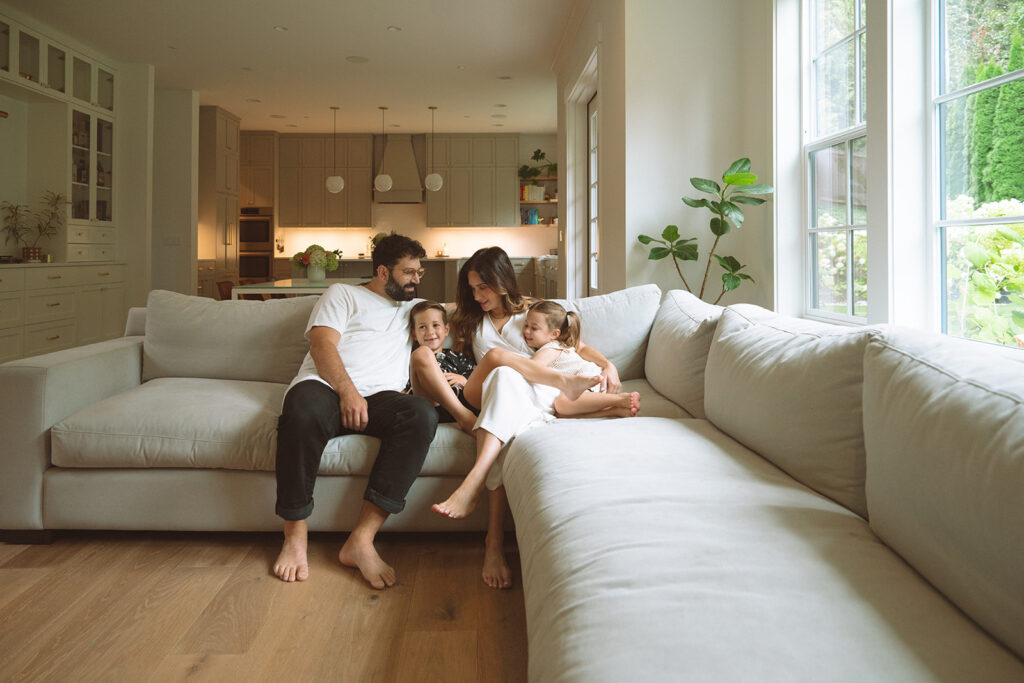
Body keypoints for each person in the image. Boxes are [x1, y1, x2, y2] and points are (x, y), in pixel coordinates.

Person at [422, 246, 620, 589]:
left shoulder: (532, 310)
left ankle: (492, 540)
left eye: (483, 287)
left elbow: (577, 346)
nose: (477, 295)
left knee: (505, 392)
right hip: (479, 392)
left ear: (501, 281)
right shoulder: (467, 318)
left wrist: (608, 365)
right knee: (499, 362)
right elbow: (432, 325)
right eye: (472, 288)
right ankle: (561, 386)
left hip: (523, 397)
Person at [273, 233, 436, 589]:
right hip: (325, 386)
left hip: (382, 398)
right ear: (382, 271)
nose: (416, 279)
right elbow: (321, 343)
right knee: (301, 414)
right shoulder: (343, 294)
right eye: (408, 272)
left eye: (419, 272)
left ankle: (361, 541)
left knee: (422, 414)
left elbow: (466, 311)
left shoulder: (416, 308)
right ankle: (295, 537)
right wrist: (347, 392)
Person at [523, 300, 641, 419]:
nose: (526, 331)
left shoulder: (550, 348)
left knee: (562, 403)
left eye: (534, 328)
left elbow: (529, 369)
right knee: (560, 413)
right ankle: (614, 411)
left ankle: (620, 399)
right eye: (526, 325)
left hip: (590, 377)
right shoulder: (560, 344)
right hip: (589, 381)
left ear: (554, 334)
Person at [407, 300, 478, 425]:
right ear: (414, 334)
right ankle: (464, 418)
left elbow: (474, 377)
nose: (430, 332)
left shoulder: (457, 356)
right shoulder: (412, 359)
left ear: (446, 330)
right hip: (430, 406)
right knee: (422, 353)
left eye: (435, 325)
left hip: (459, 401)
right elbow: (408, 385)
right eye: (422, 327)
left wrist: (464, 380)